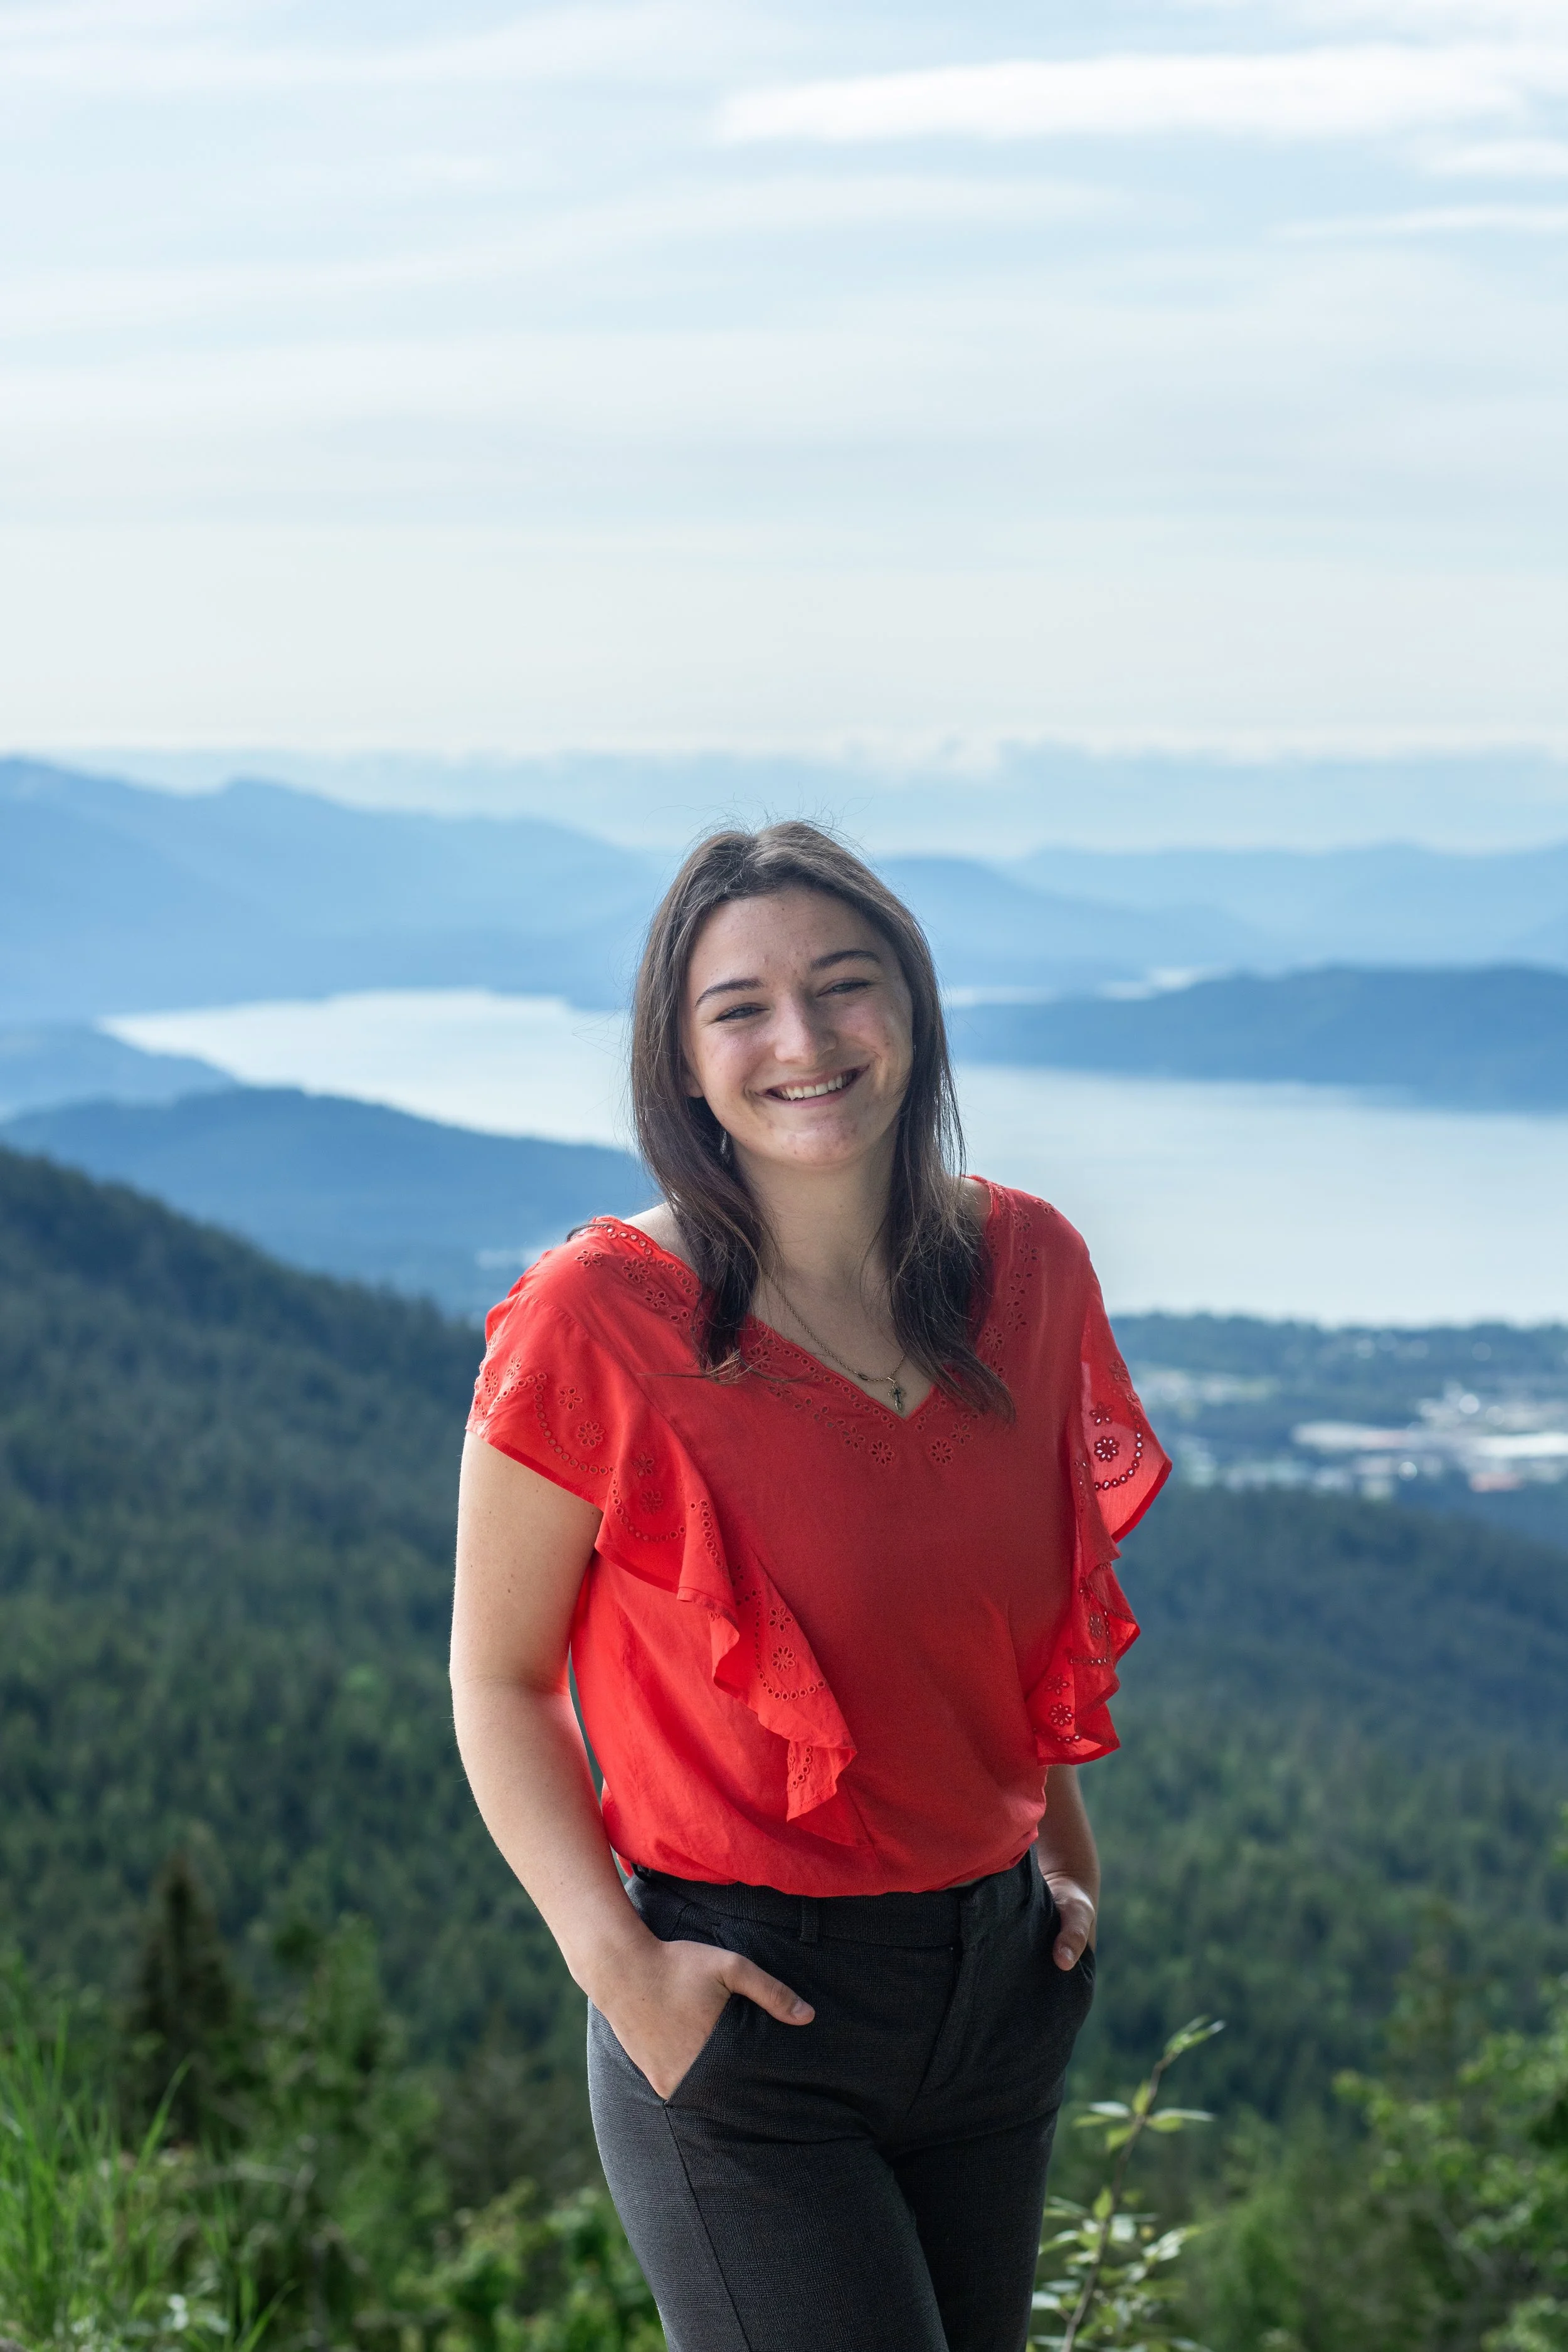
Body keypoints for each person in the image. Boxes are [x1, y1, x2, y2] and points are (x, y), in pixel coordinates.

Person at [450, 822, 1168, 2352]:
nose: (803, 1040)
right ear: (683, 1058)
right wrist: (621, 1971)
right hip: (738, 2011)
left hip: (994, 1992)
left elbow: (1017, 1642)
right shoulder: (592, 1319)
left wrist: (1069, 1881)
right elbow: (497, 1681)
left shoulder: (1032, 1272)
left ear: (908, 1009)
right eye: (740, 1009)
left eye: (843, 986)